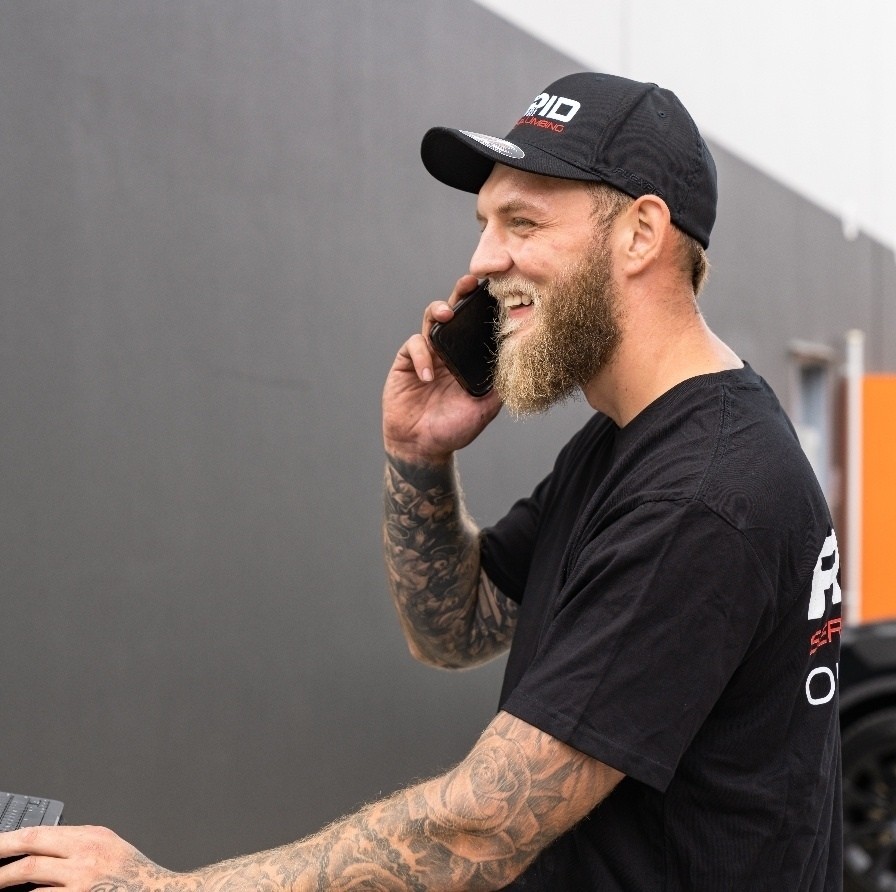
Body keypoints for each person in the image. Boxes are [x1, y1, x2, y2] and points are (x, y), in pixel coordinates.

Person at [0, 72, 842, 891]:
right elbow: (458, 628)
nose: (484, 259)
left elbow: (481, 828)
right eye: (484, 223)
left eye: (522, 222)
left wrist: (161, 890)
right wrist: (419, 455)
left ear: (640, 233)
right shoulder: (631, 441)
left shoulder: (704, 494)